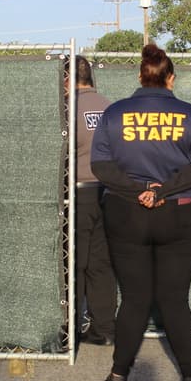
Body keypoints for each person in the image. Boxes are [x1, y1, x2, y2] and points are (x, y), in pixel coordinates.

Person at [91, 44, 191, 381]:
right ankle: (190, 378)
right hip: (181, 211)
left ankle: (118, 377)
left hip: (127, 213)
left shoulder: (115, 114)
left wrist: (137, 191)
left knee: (133, 298)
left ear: (140, 76)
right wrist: (163, 191)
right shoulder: (189, 115)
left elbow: (101, 166)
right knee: (175, 298)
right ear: (171, 79)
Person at [70, 55, 117, 345]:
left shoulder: (67, 108)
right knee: (102, 262)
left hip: (78, 193)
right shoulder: (110, 107)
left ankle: (71, 328)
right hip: (109, 192)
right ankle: (104, 329)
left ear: (67, 79)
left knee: (74, 261)